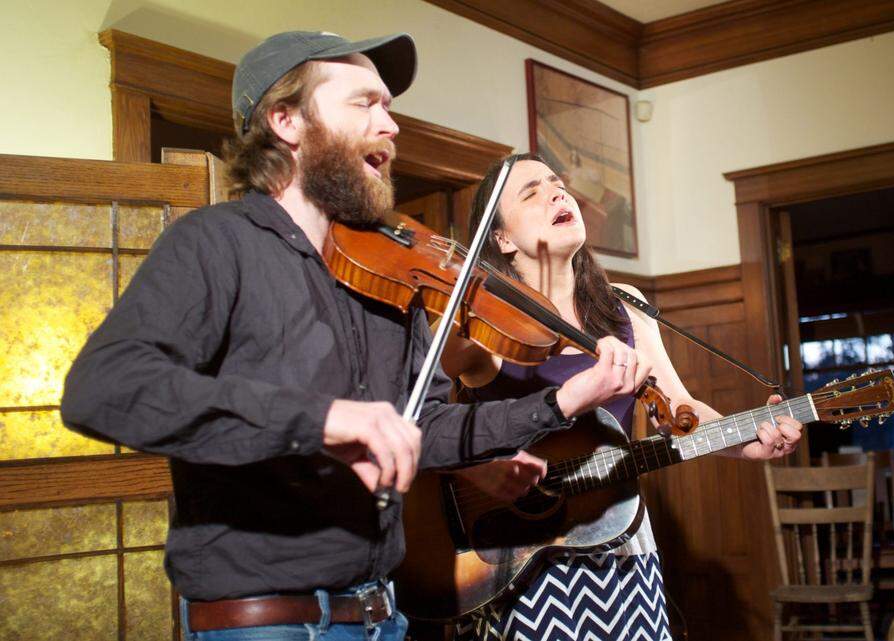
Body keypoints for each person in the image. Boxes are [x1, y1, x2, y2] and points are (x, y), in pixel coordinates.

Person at [60, 33, 635, 641]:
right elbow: (103, 388)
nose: (389, 125)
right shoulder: (214, 241)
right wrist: (323, 419)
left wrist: (562, 402)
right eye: (365, 104)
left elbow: (429, 426)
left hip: (386, 617)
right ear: (285, 120)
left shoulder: (393, 273)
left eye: (388, 107)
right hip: (265, 624)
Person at [440, 153, 804, 640]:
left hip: (623, 544)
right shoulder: (486, 323)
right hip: (520, 558)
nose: (556, 193)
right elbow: (421, 405)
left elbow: (680, 412)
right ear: (502, 238)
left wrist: (745, 442)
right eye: (532, 193)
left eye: (557, 183)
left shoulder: (626, 306)